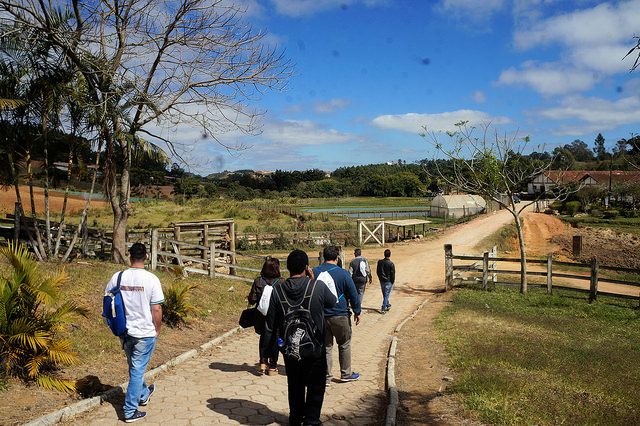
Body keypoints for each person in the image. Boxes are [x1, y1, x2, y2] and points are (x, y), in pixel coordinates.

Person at [264, 249, 337, 426]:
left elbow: (270, 326)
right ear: (306, 267)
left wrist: (266, 354)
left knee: (295, 385)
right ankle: (311, 420)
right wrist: (313, 280)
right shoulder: (317, 286)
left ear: (288, 268)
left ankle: (296, 419)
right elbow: (332, 301)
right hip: (315, 347)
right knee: (316, 385)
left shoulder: (277, 291)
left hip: (290, 349)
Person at [104, 243, 164, 423]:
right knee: (137, 370)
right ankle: (130, 411)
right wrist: (157, 329)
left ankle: (143, 394)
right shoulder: (152, 279)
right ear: (146, 257)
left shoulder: (118, 277)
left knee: (135, 367)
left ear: (129, 257)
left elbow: (108, 300)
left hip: (125, 331)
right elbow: (157, 308)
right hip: (145, 333)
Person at [313, 246, 361, 385]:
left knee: (326, 347)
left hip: (321, 316)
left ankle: (326, 377)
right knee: (344, 344)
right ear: (337, 258)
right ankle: (345, 373)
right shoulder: (343, 274)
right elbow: (353, 294)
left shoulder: (314, 272)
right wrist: (357, 312)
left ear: (323, 257)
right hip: (340, 315)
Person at [247, 257, 281, 376]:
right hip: (276, 316)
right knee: (275, 338)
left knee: (263, 337)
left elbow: (252, 299)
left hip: (261, 315)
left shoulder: (258, 281)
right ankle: (272, 367)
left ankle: (262, 362)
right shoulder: (281, 282)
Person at [376, 249, 395, 314]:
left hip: (382, 280)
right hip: (388, 281)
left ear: (384, 254)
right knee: (386, 295)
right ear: (390, 255)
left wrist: (380, 278)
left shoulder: (380, 262)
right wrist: (392, 281)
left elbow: (378, 271)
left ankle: (388, 305)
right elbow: (392, 274)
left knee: (385, 294)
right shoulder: (391, 264)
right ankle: (383, 308)